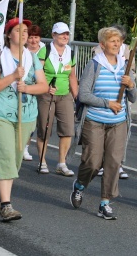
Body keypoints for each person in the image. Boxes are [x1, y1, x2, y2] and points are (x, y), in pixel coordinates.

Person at [71, 27, 137, 220]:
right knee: (92, 162)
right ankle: (80, 185)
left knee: (113, 163)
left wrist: (131, 85)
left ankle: (105, 202)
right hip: (95, 120)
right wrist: (107, 103)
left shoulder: (126, 66)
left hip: (118, 122)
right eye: (112, 41)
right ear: (102, 45)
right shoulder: (95, 65)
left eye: (119, 41)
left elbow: (132, 97)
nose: (117, 45)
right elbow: (83, 95)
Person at [0, 18, 48, 221]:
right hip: (0, 114)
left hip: (26, 115)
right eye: (18, 30)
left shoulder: (33, 58)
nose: (24, 34)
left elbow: (43, 86)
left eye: (26, 31)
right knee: (5, 156)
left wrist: (27, 88)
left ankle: (3, 198)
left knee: (15, 158)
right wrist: (12, 76)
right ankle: (6, 204)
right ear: (8, 34)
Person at [36, 22, 78, 176]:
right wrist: (45, 87)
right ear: (54, 35)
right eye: (61, 34)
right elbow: (36, 72)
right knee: (44, 129)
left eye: (67, 34)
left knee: (68, 130)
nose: (65, 36)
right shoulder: (45, 51)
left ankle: (62, 163)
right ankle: (42, 161)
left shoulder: (70, 53)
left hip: (64, 94)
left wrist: (76, 96)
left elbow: (72, 76)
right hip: (46, 94)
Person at [23, 24, 45, 161]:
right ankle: (24, 146)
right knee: (26, 116)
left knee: (36, 119)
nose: (33, 41)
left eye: (36, 37)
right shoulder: (22, 51)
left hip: (40, 89)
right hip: (26, 89)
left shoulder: (44, 51)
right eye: (30, 37)